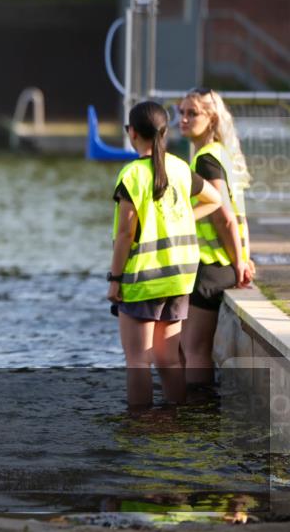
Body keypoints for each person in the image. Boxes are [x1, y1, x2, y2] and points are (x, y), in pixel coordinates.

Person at [107, 101, 223, 408]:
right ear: (164, 132)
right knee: (168, 358)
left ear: (132, 133)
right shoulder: (180, 167)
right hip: (179, 278)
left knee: (137, 361)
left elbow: (124, 235)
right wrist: (182, 218)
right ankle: (176, 420)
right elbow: (214, 199)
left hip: (143, 278)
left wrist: (115, 280)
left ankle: (140, 427)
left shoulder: (132, 175)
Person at [178, 88, 253, 386]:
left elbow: (223, 216)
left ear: (211, 119)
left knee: (194, 350)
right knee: (187, 349)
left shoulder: (206, 160)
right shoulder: (222, 154)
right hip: (221, 263)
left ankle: (198, 416)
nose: (183, 119)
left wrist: (238, 264)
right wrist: (242, 258)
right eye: (181, 112)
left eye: (192, 113)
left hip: (211, 267)